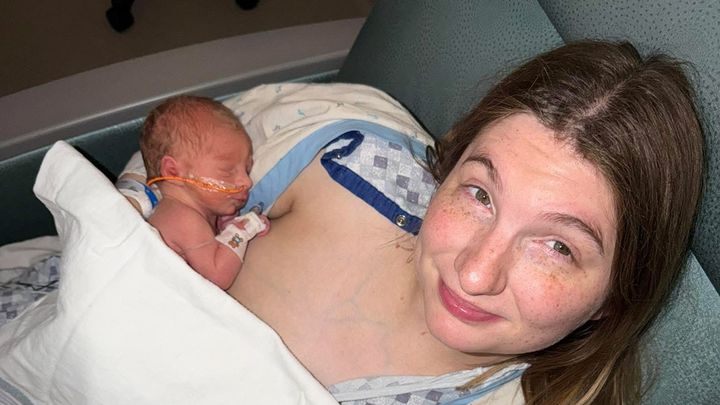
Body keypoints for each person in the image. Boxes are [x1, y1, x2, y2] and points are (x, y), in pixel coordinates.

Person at [119, 41, 704, 404]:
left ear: (614, 297)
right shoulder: (343, 145)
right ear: (448, 166)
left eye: (557, 247)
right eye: (479, 194)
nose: (474, 274)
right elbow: (168, 163)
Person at [127, 95, 269, 290]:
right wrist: (243, 230)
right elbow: (217, 275)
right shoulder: (181, 218)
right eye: (227, 170)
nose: (246, 181)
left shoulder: (193, 214)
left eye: (247, 168)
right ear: (173, 172)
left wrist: (225, 227)